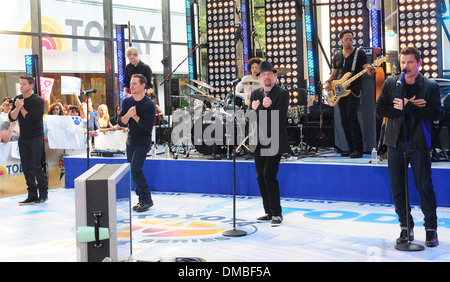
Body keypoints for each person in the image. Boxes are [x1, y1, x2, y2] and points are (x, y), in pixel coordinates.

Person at [375, 47, 440, 247]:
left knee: (424, 186)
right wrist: (404, 107)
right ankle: (405, 226)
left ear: (418, 63)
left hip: (419, 143)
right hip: (395, 143)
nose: (405, 66)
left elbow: (436, 114)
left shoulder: (429, 85)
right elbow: (379, 110)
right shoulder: (391, 83)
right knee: (397, 187)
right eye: (403, 63)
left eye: (410, 62)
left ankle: (431, 229)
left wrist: (409, 106)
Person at [249, 61, 290, 227]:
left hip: (275, 140)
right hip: (258, 140)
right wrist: (255, 110)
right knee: (260, 177)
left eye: (270, 74)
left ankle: (277, 213)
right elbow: (251, 118)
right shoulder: (255, 94)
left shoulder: (282, 93)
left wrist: (260, 109)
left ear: (274, 76)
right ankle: (268, 211)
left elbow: (277, 119)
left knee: (269, 175)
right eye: (263, 74)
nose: (267, 77)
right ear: (259, 77)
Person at [324, 30, 376, 158]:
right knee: (343, 120)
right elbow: (334, 73)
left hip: (353, 89)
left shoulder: (359, 53)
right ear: (341, 40)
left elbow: (367, 68)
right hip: (339, 89)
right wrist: (328, 82)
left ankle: (358, 148)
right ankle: (349, 147)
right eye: (346, 39)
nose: (349, 42)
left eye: (351, 39)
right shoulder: (337, 56)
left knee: (351, 116)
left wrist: (371, 70)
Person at [118, 74, 156, 212]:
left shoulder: (149, 104)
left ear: (142, 86)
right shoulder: (127, 102)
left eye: (134, 83)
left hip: (143, 140)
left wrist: (135, 116)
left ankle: (147, 198)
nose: (131, 86)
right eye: (131, 83)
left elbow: (147, 127)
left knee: (135, 168)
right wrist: (128, 115)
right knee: (133, 170)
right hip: (131, 140)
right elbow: (120, 121)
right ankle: (141, 199)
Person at [8, 74, 48, 205]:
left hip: (36, 137)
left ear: (31, 86)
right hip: (23, 137)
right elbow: (12, 117)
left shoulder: (38, 101)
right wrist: (18, 106)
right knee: (26, 167)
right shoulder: (18, 99)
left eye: (24, 84)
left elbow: (30, 119)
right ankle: (31, 194)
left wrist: (22, 107)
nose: (21, 86)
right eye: (20, 83)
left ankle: (43, 193)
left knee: (36, 166)